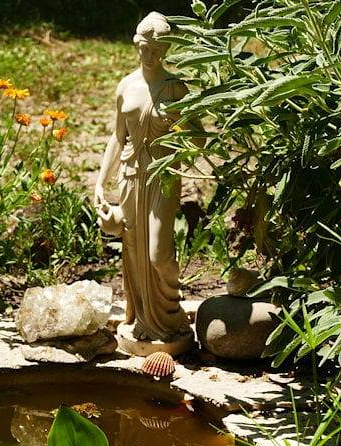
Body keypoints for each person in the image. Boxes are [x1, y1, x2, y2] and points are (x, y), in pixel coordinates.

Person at [94, 12, 193, 348]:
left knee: (157, 255)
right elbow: (117, 138)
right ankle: (142, 322)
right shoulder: (126, 86)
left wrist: (184, 136)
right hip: (131, 176)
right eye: (143, 48)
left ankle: (170, 313)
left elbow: (197, 138)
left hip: (163, 177)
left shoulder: (177, 88)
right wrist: (101, 180)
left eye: (155, 49)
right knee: (134, 253)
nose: (148, 56)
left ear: (165, 49)